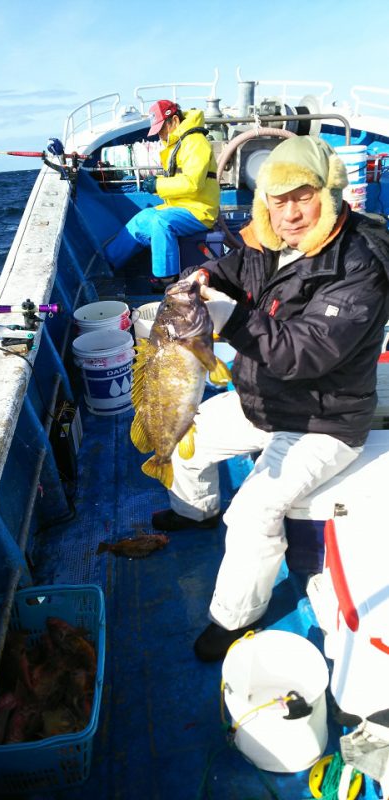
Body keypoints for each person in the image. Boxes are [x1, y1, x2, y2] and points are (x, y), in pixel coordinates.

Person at [151, 135, 389, 662]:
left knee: (255, 510)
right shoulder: (268, 243)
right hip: (262, 398)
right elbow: (233, 270)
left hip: (323, 422)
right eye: (277, 201)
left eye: (301, 197)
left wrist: (232, 318)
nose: (291, 213)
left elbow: (307, 354)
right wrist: (202, 278)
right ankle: (196, 512)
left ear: (326, 194)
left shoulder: (359, 265)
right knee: (186, 435)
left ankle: (233, 618)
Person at [105, 99, 220, 291]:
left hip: (200, 210)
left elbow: (193, 183)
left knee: (161, 221)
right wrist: (159, 180)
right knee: (141, 219)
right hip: (181, 206)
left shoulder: (195, 142)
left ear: (174, 120)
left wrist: (158, 184)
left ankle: (167, 279)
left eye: (161, 129)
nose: (159, 135)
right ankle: (106, 264)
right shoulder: (179, 143)